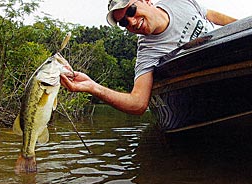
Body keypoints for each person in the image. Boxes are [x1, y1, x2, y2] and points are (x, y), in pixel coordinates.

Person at [60, 0, 237, 115]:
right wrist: (93, 87)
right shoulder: (147, 51)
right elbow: (138, 103)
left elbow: (210, 15)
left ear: (146, 1)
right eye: (124, 23)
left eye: (131, 11)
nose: (132, 22)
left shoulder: (178, 2)